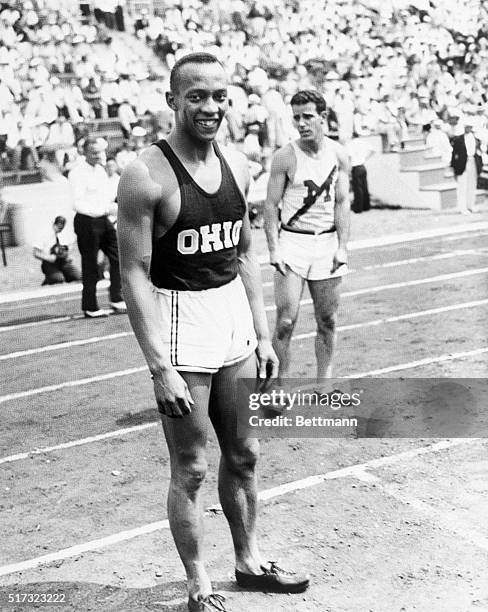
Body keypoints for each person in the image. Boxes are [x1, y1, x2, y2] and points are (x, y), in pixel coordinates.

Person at [117, 52, 309, 612]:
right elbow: (134, 273)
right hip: (180, 318)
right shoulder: (145, 174)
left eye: (218, 97)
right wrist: (159, 365)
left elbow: (244, 255)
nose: (209, 107)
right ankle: (199, 585)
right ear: (172, 100)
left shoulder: (240, 165)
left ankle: (248, 562)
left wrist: (263, 335)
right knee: (193, 466)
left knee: (245, 452)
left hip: (231, 317)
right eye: (196, 96)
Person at [264, 90, 350, 382]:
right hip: (293, 242)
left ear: (323, 117)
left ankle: (323, 383)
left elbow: (341, 203)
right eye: (296, 117)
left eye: (307, 117)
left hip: (326, 243)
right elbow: (271, 205)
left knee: (328, 320)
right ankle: (279, 386)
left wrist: (343, 247)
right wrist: (274, 249)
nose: (301, 124)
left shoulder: (338, 154)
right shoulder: (285, 156)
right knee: (286, 321)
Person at [68, 136, 126, 317]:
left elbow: (105, 198)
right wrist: (99, 211)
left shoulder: (100, 171)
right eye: (94, 152)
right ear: (84, 152)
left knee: (118, 256)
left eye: (100, 152)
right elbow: (76, 203)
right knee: (91, 264)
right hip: (87, 221)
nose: (98, 155)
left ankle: (117, 298)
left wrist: (112, 209)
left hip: (102, 219)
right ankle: (90, 306)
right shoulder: (77, 173)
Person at [32, 215, 81, 285]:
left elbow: (70, 247)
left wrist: (67, 255)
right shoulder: (44, 234)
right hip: (50, 263)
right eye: (58, 226)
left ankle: (66, 275)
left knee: (79, 277)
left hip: (63, 262)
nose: (59, 229)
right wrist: (49, 258)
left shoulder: (63, 234)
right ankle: (49, 279)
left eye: (61, 227)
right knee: (58, 279)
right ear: (54, 224)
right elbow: (36, 253)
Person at [450, 117, 483, 214]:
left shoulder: (476, 139)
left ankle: (470, 205)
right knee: (462, 186)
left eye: (470, 127)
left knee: (472, 185)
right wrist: (454, 168)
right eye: (467, 127)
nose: (468, 128)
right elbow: (454, 155)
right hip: (462, 164)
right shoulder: (458, 139)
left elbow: (478, 152)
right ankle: (462, 207)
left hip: (473, 162)